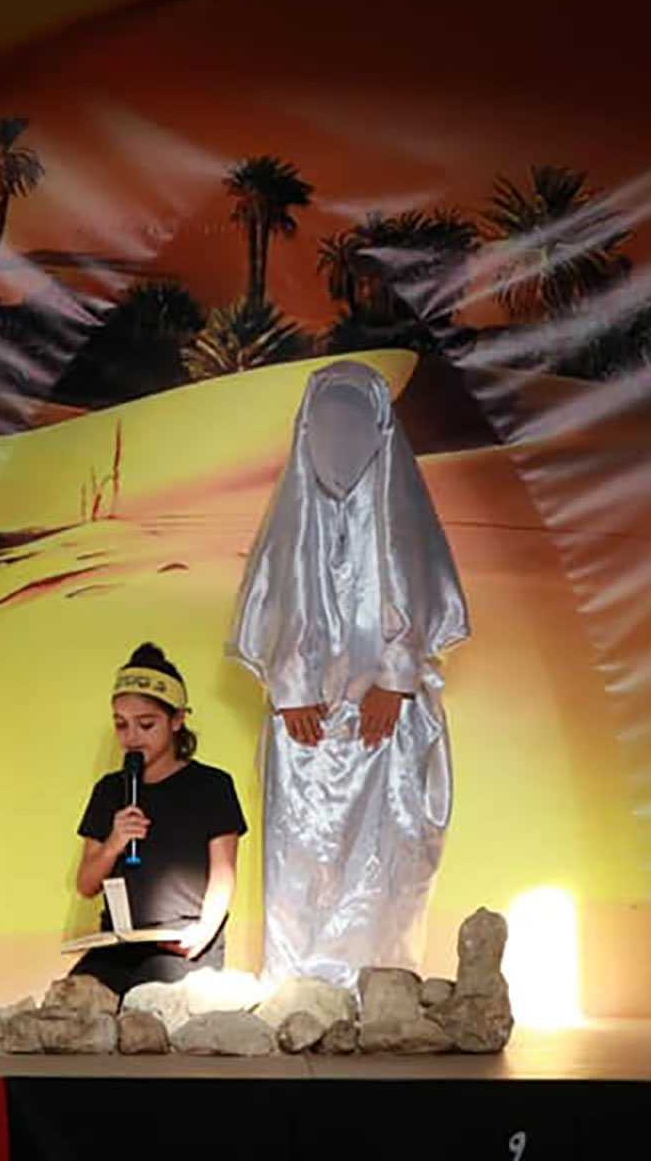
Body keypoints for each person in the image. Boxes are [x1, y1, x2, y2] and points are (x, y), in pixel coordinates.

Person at [227, 360, 470, 990]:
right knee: (302, 855)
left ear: (381, 431)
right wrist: (291, 691)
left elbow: (420, 594)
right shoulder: (292, 515)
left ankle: (379, 985)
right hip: (305, 730)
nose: (340, 441)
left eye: (354, 425)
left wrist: (396, 681)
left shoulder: (402, 512)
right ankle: (297, 993)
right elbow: (274, 603)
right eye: (328, 425)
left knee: (387, 856)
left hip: (387, 725)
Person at [70, 643, 247, 997]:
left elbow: (223, 872)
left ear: (176, 720)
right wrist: (114, 843)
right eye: (121, 725)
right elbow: (86, 884)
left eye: (146, 724)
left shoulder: (213, 785)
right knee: (69, 1005)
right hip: (120, 943)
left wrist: (204, 932)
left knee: (150, 1007)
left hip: (185, 941)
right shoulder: (109, 790)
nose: (132, 737)